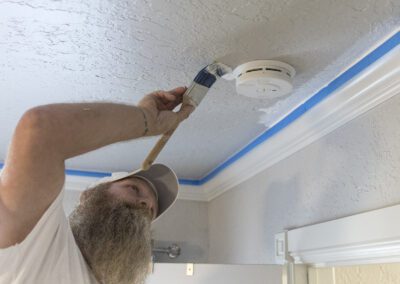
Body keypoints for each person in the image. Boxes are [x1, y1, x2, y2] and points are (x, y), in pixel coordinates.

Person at [0, 87, 194, 284]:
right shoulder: (42, 243)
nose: (145, 204)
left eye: (151, 211)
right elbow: (40, 130)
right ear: (89, 195)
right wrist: (146, 120)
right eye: (133, 189)